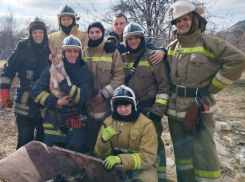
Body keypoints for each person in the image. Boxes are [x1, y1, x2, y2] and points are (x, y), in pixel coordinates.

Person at [163, 1, 245, 182]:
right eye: (177, 21)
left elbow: (238, 60)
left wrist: (212, 88)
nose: (181, 24)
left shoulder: (209, 43)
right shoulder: (171, 47)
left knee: (204, 154)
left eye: (185, 19)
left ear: (195, 20)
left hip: (199, 108)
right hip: (175, 111)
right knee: (182, 156)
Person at [121, 22, 171, 182]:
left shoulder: (153, 56)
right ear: (125, 41)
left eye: (136, 38)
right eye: (130, 39)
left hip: (150, 110)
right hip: (129, 111)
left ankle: (160, 177)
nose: (133, 41)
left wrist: (156, 112)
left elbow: (164, 86)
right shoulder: (122, 58)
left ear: (142, 39)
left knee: (154, 146)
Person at [31, 35, 94, 153]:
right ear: (63, 53)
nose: (72, 54)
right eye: (68, 51)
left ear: (80, 53)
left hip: (75, 121)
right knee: (50, 156)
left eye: (76, 51)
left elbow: (82, 97)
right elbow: (36, 92)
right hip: (52, 122)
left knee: (77, 150)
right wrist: (56, 101)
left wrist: (64, 82)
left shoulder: (85, 74)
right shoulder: (50, 70)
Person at [0, 17, 49, 150]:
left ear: (44, 33)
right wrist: (4, 93)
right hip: (24, 101)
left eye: (40, 32)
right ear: (30, 34)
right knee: (24, 141)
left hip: (44, 102)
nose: (38, 35)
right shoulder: (22, 49)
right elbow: (7, 71)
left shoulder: (49, 49)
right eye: (35, 32)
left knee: (42, 142)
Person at [94, 85, 158, 182]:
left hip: (141, 167)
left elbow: (148, 157)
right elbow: (99, 156)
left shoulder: (146, 125)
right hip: (115, 167)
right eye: (119, 106)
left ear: (133, 105)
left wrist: (121, 159)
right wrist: (103, 141)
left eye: (126, 105)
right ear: (114, 107)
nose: (123, 110)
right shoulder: (108, 122)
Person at [82, 21, 125, 153]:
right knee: (89, 146)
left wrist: (105, 93)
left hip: (107, 109)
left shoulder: (112, 51)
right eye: (92, 32)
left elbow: (119, 76)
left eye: (98, 32)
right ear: (88, 34)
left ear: (102, 33)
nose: (94, 35)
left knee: (106, 146)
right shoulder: (83, 52)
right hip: (86, 109)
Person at [48, 5, 116, 57]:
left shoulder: (84, 36)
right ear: (59, 20)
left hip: (80, 73)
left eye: (69, 19)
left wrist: (110, 40)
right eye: (63, 19)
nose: (66, 21)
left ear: (74, 20)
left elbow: (99, 42)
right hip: (59, 73)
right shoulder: (51, 38)